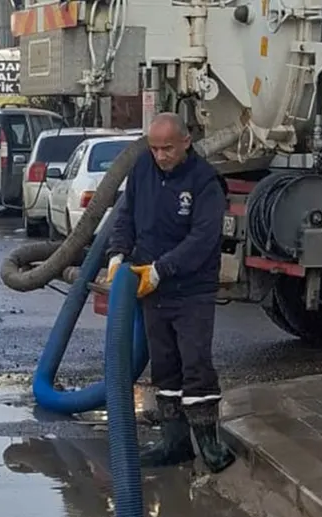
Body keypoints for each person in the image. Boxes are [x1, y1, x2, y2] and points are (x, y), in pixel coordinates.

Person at [106, 112, 234, 473]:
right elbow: (126, 216)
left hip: (190, 290)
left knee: (195, 364)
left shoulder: (204, 181)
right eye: (155, 148)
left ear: (185, 143)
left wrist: (163, 269)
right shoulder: (142, 170)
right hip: (150, 286)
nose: (161, 156)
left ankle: (209, 445)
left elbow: (203, 238)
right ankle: (174, 443)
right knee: (164, 366)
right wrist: (117, 254)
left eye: (168, 149)